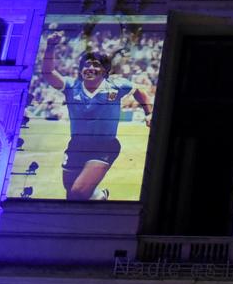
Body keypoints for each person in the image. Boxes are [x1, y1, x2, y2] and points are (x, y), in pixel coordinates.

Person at [40, 36, 153, 201]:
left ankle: (100, 198)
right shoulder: (71, 87)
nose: (90, 68)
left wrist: (148, 113)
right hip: (77, 145)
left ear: (105, 71)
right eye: (86, 65)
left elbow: (139, 91)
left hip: (105, 146)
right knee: (71, 193)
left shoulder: (116, 86)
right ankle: (99, 197)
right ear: (80, 70)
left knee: (78, 192)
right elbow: (48, 73)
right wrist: (50, 46)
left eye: (96, 65)